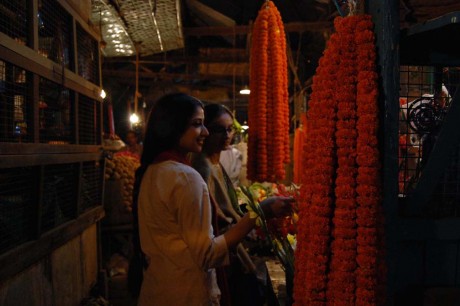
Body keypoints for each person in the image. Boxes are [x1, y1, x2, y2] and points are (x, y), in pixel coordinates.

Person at [131, 93, 294, 306]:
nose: (205, 132)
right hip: (187, 295)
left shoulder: (152, 171)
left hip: (158, 291)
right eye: (198, 124)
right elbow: (207, 254)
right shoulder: (186, 178)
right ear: (174, 126)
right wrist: (259, 213)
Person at [191, 103, 263, 306]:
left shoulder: (215, 162)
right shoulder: (202, 166)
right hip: (221, 254)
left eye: (230, 129)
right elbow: (215, 218)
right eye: (218, 129)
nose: (226, 135)